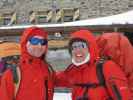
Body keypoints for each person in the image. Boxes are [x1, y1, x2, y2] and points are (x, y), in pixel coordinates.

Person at [55, 29, 132, 100]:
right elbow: (56, 79)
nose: (77, 50)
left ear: (90, 47)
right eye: (74, 47)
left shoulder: (107, 67)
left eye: (82, 46)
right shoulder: (75, 70)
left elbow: (124, 96)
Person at [0, 27, 55, 100]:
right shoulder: (12, 74)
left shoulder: (47, 69)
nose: (39, 46)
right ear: (25, 43)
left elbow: (67, 79)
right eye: (34, 41)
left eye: (43, 42)